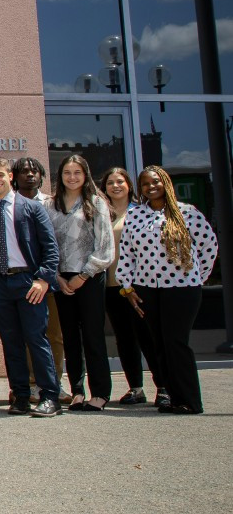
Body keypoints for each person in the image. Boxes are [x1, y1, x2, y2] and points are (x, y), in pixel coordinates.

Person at [118, 165, 219, 415]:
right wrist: (127, 287)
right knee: (159, 344)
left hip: (181, 288)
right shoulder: (135, 215)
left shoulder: (187, 213)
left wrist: (197, 277)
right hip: (146, 289)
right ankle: (174, 398)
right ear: (140, 189)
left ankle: (190, 401)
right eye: (145, 184)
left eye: (156, 182)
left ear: (165, 183)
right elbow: (127, 254)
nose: (151, 187)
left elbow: (209, 246)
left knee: (176, 342)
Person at [0, 156, 61, 418]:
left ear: (10, 176)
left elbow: (50, 248)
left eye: (0, 175)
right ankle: (20, 395)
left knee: (36, 338)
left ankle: (49, 396)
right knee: (10, 343)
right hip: (0, 286)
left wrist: (43, 279)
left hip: (28, 282)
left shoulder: (31, 208)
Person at [47, 155, 114, 412]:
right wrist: (58, 276)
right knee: (70, 338)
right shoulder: (51, 205)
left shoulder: (96, 203)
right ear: (60, 175)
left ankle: (100, 393)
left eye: (77, 172)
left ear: (85, 175)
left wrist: (83, 276)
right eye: (67, 172)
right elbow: (48, 244)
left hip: (90, 278)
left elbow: (105, 247)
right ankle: (77, 390)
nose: (72, 177)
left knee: (93, 337)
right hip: (61, 279)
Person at [100, 166, 161, 407]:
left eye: (120, 181)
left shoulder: (142, 212)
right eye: (110, 183)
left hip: (137, 286)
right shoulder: (103, 214)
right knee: (124, 339)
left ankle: (163, 386)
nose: (115, 186)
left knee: (147, 337)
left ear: (129, 186)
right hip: (111, 285)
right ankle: (136, 388)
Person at [15, 155, 65, 386]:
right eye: (24, 171)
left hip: (49, 280)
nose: (30, 175)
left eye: (35, 171)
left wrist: (48, 276)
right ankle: (32, 383)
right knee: (25, 335)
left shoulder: (53, 203)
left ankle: (54, 381)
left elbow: (55, 244)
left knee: (53, 334)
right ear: (14, 177)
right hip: (21, 281)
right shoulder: (9, 204)